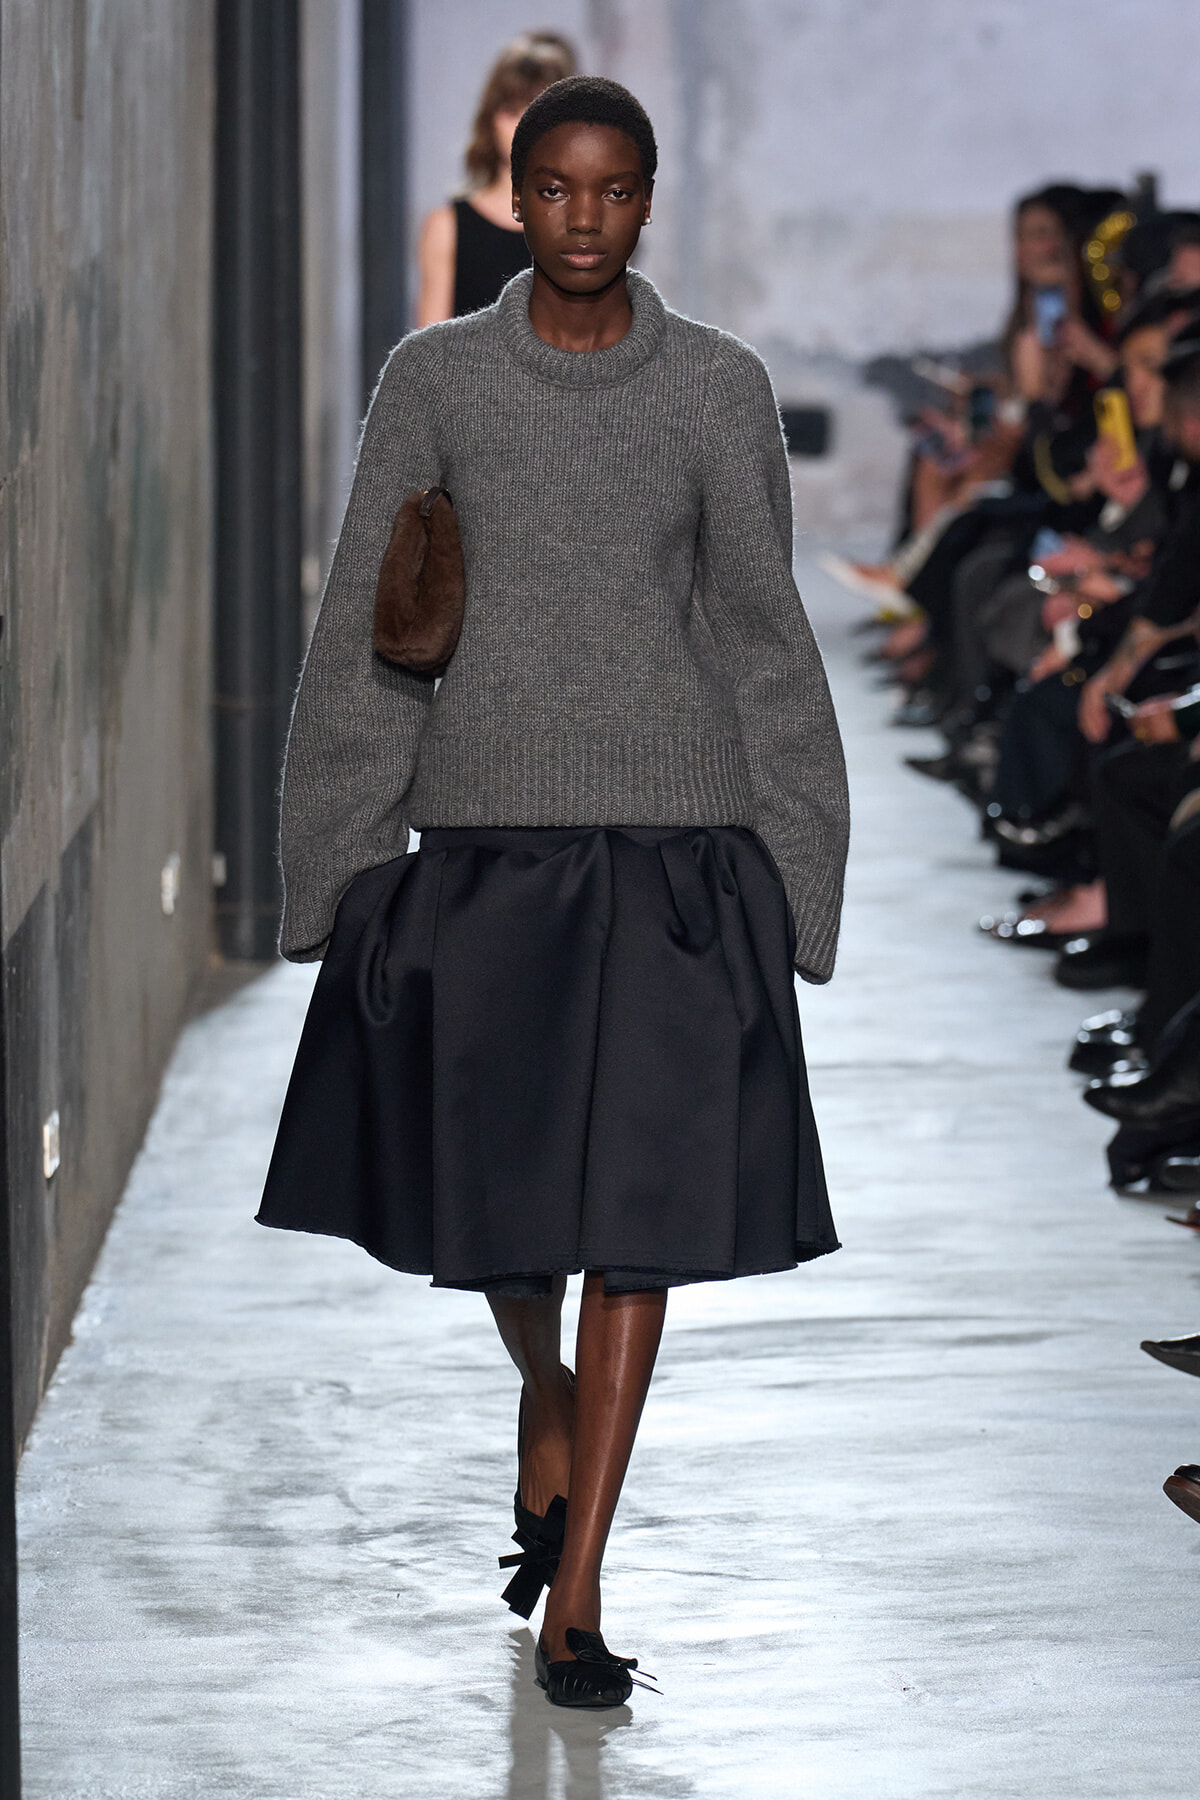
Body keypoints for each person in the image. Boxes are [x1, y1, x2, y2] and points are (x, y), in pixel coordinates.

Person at [258, 76, 849, 1709]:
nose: (585, 217)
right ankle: (545, 1398)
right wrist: (338, 854)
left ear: (646, 199)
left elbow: (759, 632)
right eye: (555, 189)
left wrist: (802, 863)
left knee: (638, 1228)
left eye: (614, 190)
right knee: (511, 1216)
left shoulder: (718, 390)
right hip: (491, 845)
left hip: (674, 860)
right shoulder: (436, 380)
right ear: (513, 196)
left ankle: (576, 1585)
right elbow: (374, 617)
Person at [415, 31, 576, 325]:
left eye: (538, 112)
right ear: (491, 119)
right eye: (512, 110)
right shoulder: (447, 229)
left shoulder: (593, 229)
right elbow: (428, 358)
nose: (524, 126)